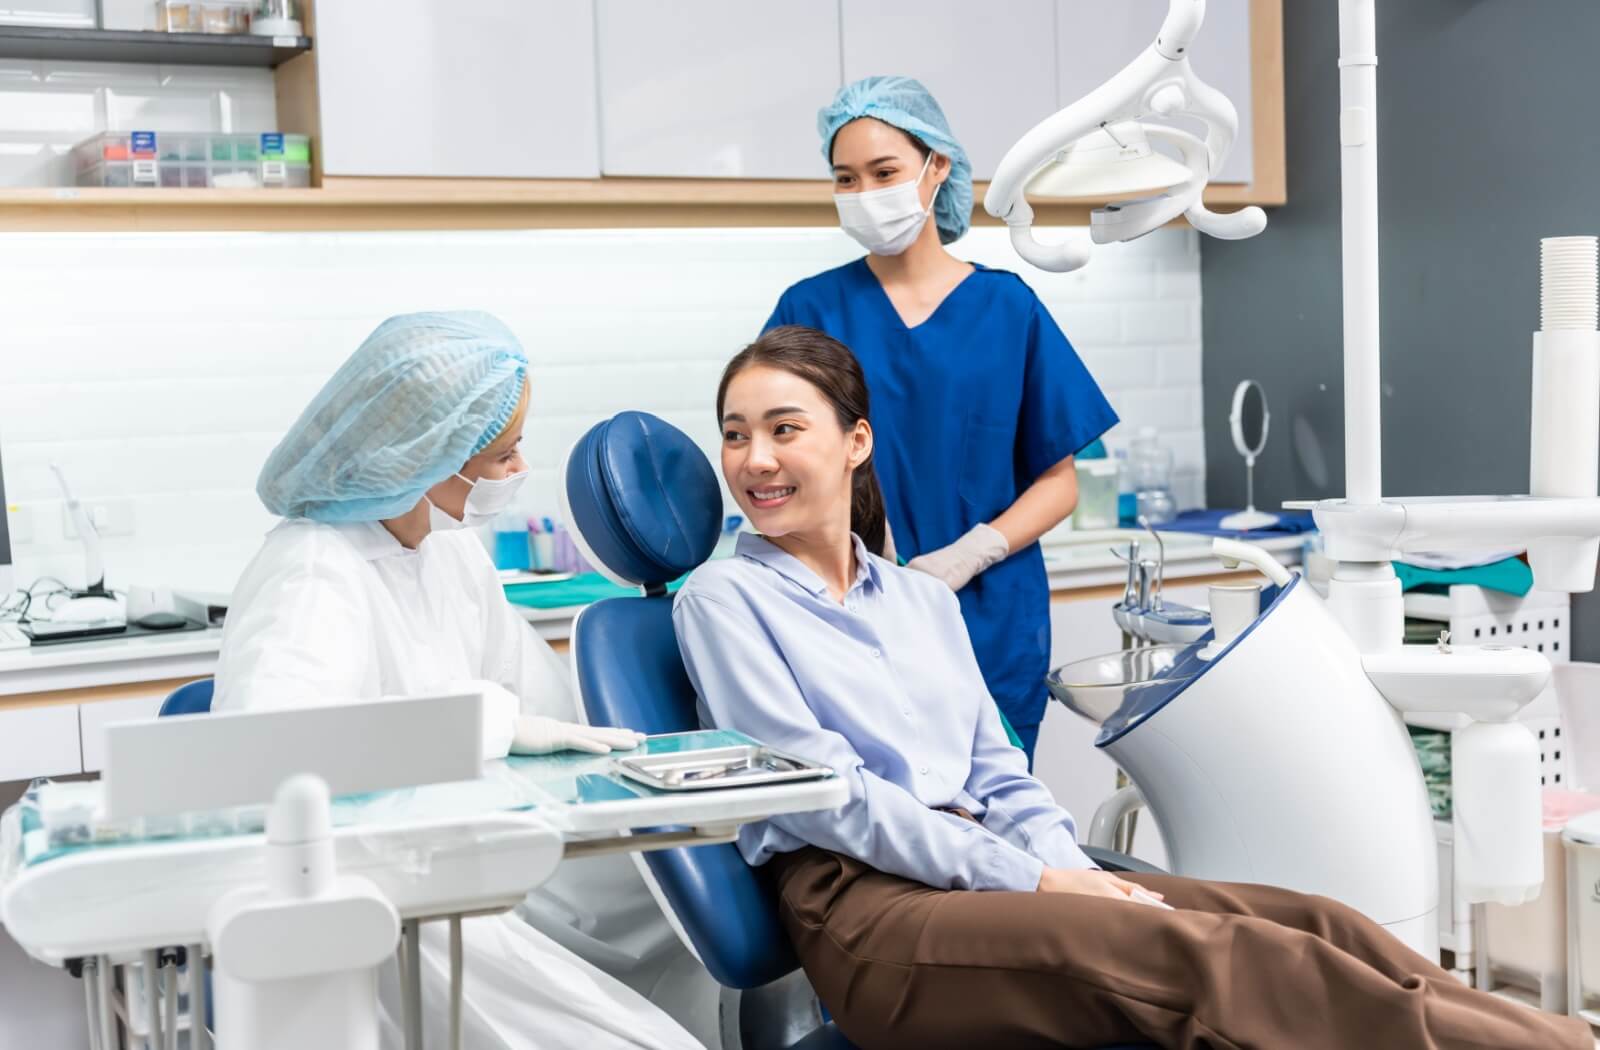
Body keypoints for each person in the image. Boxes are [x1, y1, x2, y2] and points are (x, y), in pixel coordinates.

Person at [670, 325, 1590, 1050]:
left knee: (1314, 921)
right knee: (1204, 959)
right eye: (737, 435)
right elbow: (834, 798)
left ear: (855, 441)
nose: (755, 459)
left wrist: (1063, 864)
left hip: (989, 872)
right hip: (870, 915)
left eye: (784, 429)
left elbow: (998, 774)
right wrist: (1036, 881)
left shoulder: (919, 599)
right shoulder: (723, 599)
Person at [214, 311, 710, 1050]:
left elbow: (542, 709)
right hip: (381, 902)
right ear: (430, 455)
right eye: (503, 453)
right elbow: (275, 763)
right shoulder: (314, 572)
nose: (518, 472)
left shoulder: (450, 551)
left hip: (468, 856)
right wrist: (490, 725)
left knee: (676, 906)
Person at [763, 76, 1118, 763]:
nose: (865, 192)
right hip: (848, 619)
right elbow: (771, 461)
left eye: (884, 172)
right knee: (889, 842)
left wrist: (970, 553)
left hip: (987, 619)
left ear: (937, 168)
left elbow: (1060, 482)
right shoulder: (809, 310)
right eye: (845, 178)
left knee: (1001, 837)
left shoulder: (1007, 308)